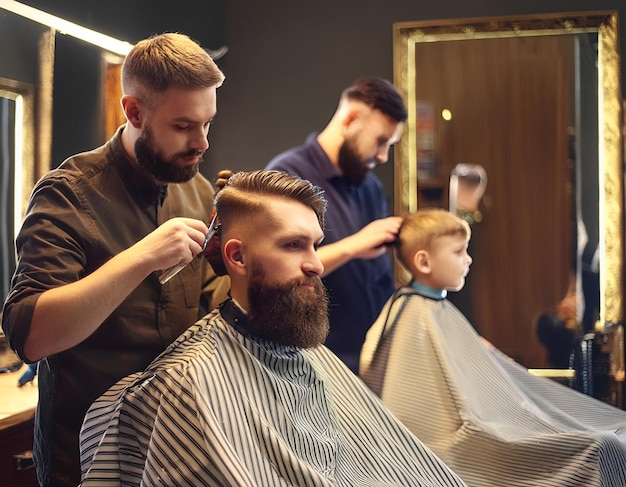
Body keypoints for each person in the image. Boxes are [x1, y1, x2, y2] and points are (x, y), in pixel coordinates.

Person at [78, 170, 468, 487]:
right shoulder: (189, 382)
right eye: (293, 245)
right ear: (237, 256)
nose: (315, 263)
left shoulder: (302, 349)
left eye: (315, 244)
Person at [2, 33, 231, 487]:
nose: (201, 142)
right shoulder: (67, 194)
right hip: (87, 458)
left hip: (173, 447)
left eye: (208, 123)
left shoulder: (198, 189)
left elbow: (207, 306)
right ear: (133, 112)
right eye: (183, 126)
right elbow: (31, 336)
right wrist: (142, 256)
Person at [360, 208, 626, 487]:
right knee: (600, 445)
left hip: (478, 420)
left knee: (610, 431)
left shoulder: (434, 308)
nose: (468, 259)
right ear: (424, 262)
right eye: (459, 251)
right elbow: (429, 411)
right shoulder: (413, 314)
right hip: (446, 446)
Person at [266, 77, 407, 373]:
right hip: (319, 365)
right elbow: (280, 271)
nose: (383, 156)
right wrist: (353, 246)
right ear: (351, 119)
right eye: (381, 141)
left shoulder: (369, 187)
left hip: (373, 361)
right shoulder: (287, 176)